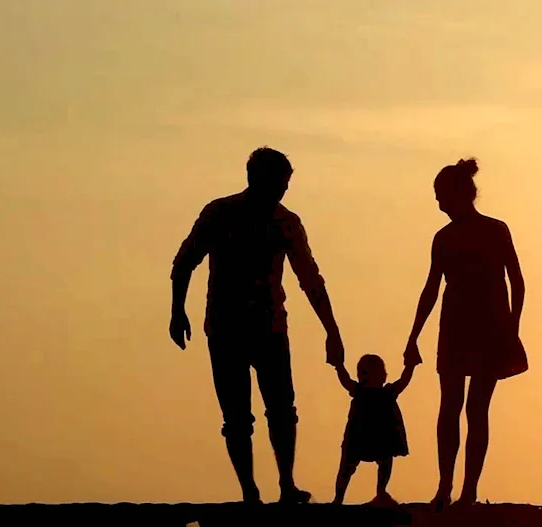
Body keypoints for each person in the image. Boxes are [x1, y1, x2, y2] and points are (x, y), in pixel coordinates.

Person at [169, 147, 346, 505]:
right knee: (238, 415)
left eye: (285, 185)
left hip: (268, 327)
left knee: (281, 409)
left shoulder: (285, 221)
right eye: (280, 183)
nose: (283, 191)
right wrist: (177, 310)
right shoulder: (220, 213)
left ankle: (285, 484)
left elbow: (310, 278)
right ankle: (250, 491)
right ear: (258, 179)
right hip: (227, 327)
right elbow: (185, 261)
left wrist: (332, 329)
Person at [403, 157, 527, 511]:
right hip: (455, 327)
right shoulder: (443, 238)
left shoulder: (496, 230)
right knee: (451, 406)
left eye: (441, 195)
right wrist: (413, 337)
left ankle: (468, 490)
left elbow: (517, 282)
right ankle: (446, 487)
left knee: (475, 408)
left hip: (490, 327)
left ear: (459, 194)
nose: (438, 203)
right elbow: (430, 289)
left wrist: (512, 327)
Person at [331, 354, 414, 506]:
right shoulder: (366, 392)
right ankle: (339, 497)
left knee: (380, 464)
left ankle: (379, 492)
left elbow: (403, 381)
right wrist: (338, 366)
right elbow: (404, 381)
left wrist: (410, 367)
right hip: (360, 436)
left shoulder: (386, 392)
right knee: (347, 467)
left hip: (379, 438)